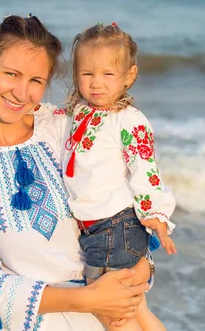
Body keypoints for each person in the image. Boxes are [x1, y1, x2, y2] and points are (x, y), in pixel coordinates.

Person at [0, 15, 150, 331]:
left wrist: (143, 267)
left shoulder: (63, 128)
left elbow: (118, 207)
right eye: (11, 74)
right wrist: (86, 300)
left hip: (116, 313)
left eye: (35, 81)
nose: (21, 92)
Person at [60, 22, 178, 331]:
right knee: (136, 309)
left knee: (111, 314)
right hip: (98, 227)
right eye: (87, 74)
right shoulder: (81, 111)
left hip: (115, 226)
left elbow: (145, 167)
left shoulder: (128, 120)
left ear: (129, 77)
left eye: (107, 75)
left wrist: (155, 212)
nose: (96, 83)